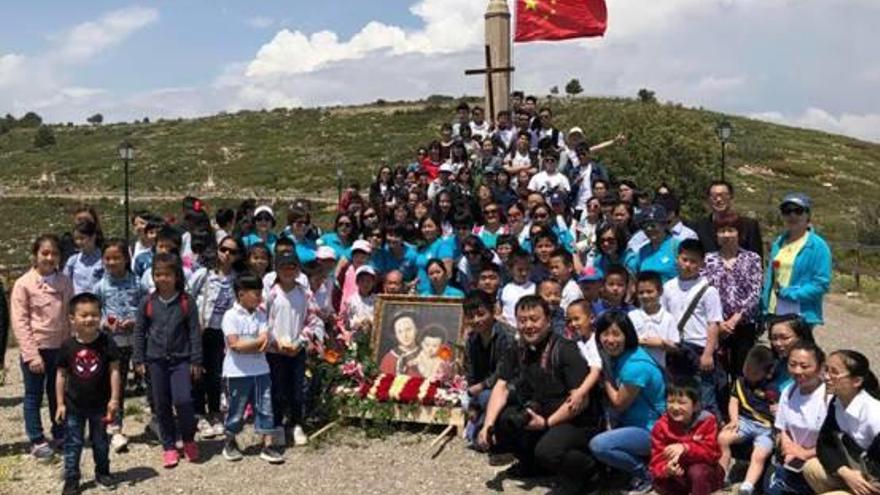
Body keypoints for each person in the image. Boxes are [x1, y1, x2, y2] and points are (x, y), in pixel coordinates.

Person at [479, 296, 602, 494]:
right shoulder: (518, 349)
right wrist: (487, 425)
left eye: (534, 319)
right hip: (540, 412)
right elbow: (501, 386)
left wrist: (546, 423)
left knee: (548, 451)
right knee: (503, 420)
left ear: (548, 320)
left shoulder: (565, 350)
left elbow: (581, 401)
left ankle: (588, 473)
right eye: (522, 320)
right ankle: (533, 466)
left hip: (577, 420)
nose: (528, 325)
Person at [133, 253, 201, 468]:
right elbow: (139, 332)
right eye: (158, 274)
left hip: (181, 360)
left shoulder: (186, 302)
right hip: (156, 361)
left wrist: (196, 360)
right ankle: (169, 445)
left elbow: (194, 333)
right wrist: (139, 359)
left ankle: (188, 437)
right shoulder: (148, 302)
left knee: (183, 401)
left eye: (167, 274)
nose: (162, 278)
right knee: (161, 404)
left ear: (176, 276)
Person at [590, 310, 667, 494]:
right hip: (630, 423)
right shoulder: (621, 356)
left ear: (628, 335)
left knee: (599, 445)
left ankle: (644, 473)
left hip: (651, 430)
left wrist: (605, 377)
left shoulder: (635, 365)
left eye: (616, 334)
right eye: (605, 334)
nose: (610, 339)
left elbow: (618, 402)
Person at [11, 234, 74, 461]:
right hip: (37, 348)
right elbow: (20, 322)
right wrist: (31, 354)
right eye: (44, 253)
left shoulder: (65, 282)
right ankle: (36, 438)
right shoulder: (23, 284)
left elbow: (70, 315)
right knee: (33, 395)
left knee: (58, 394)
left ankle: (59, 433)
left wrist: (71, 347)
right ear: (35, 255)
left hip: (60, 348)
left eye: (54, 253)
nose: (49, 257)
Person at [56, 293, 122, 494]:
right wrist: (60, 403)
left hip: (101, 405)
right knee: (73, 444)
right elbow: (61, 375)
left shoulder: (106, 342)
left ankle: (102, 472)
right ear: (72, 318)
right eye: (84, 315)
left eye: (94, 314)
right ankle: (72, 479)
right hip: (74, 406)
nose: (89, 319)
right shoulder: (67, 346)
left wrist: (114, 399)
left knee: (101, 442)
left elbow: (115, 371)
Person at [220, 273, 284, 464]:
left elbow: (264, 340)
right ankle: (230, 442)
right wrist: (255, 342)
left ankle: (268, 445)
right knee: (235, 409)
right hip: (236, 372)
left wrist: (250, 343)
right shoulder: (230, 316)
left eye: (260, 292)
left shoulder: (261, 314)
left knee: (265, 407)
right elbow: (235, 345)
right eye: (255, 293)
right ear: (241, 294)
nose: (259, 297)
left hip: (261, 370)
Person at [265, 252, 325, 448]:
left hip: (296, 349)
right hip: (275, 351)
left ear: (298, 270)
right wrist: (274, 342)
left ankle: (296, 423)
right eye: (284, 267)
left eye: (292, 267)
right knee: (277, 390)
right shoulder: (270, 294)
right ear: (277, 270)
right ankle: (277, 425)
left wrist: (300, 341)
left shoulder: (304, 294)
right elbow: (261, 321)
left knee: (297, 390)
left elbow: (314, 320)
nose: (288, 271)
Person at [93, 239, 146, 453]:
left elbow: (146, 306)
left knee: (149, 380)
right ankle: (115, 427)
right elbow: (95, 312)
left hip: (138, 340)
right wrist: (105, 323)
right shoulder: (101, 286)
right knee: (118, 385)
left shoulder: (138, 282)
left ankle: (156, 420)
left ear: (126, 258)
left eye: (117, 257)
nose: (112, 262)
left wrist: (136, 321)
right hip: (114, 344)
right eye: (107, 258)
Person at [189, 235, 244, 438]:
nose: (227, 254)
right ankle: (198, 414)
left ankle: (214, 412)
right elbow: (188, 295)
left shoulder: (237, 279)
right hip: (202, 329)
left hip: (222, 332)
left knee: (216, 374)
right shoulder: (203, 274)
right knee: (196, 372)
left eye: (232, 251)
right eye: (224, 249)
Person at [805, 350, 880, 495]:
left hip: (874, 481)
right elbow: (824, 443)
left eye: (834, 372)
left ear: (856, 381)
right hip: (858, 471)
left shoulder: (875, 415)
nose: (826, 377)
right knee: (812, 467)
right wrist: (845, 472)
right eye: (826, 370)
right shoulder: (837, 402)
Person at [662, 239, 723, 415]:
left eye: (694, 261)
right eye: (685, 259)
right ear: (677, 258)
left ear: (702, 263)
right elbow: (665, 318)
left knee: (705, 398)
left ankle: (711, 436)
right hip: (675, 349)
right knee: (678, 397)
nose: (688, 265)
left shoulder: (708, 290)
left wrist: (708, 354)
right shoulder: (668, 287)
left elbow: (713, 323)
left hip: (699, 348)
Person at [701, 213, 763, 382]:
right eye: (722, 231)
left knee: (741, 371)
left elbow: (755, 291)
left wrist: (736, 318)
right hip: (716, 327)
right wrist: (719, 322)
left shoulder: (752, 259)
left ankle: (738, 405)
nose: (726, 235)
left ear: (740, 233)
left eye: (731, 230)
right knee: (718, 373)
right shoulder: (707, 260)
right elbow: (703, 293)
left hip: (744, 324)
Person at [765, 341, 829, 495]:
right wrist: (788, 448)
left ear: (820, 368)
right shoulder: (789, 390)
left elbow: (836, 442)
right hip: (790, 461)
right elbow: (782, 427)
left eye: (805, 366)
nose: (797, 370)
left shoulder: (829, 397)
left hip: (817, 466)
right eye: (792, 364)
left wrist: (805, 454)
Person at [760, 193, 832, 328]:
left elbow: (821, 284)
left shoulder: (817, 246)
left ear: (807, 215)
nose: (792, 216)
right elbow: (772, 275)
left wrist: (792, 294)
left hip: (800, 314)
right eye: (787, 211)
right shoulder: (779, 243)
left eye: (798, 211)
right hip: (774, 311)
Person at [718, 345, 779, 495]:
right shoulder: (739, 382)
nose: (748, 373)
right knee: (723, 438)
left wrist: (776, 412)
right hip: (744, 421)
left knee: (759, 454)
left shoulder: (771, 389)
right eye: (746, 368)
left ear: (766, 373)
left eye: (754, 372)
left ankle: (748, 485)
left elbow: (777, 412)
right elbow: (734, 401)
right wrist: (733, 420)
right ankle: (721, 475)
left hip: (766, 427)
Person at [650, 376, 724, 495]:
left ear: (696, 406)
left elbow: (713, 453)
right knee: (659, 482)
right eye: (670, 401)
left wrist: (686, 448)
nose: (675, 407)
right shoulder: (661, 426)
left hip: (705, 474)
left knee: (698, 471)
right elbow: (656, 460)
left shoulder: (707, 421)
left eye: (682, 402)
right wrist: (667, 469)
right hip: (678, 475)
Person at [463, 291, 514, 446]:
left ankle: (488, 432)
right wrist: (473, 403)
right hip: (482, 391)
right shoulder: (472, 339)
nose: (476, 320)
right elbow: (471, 373)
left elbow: (504, 371)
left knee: (486, 396)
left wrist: (482, 387)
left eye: (481, 314)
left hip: (508, 386)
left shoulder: (506, 336)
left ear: (492, 311)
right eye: (471, 316)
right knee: (467, 399)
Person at [693, 180, 763, 258]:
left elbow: (757, 259)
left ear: (731, 197)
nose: (719, 200)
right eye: (714, 196)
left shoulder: (749, 226)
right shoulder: (698, 227)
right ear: (708, 199)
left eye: (723, 195)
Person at [628, 271, 679, 370]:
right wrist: (641, 342)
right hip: (635, 368)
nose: (645, 296)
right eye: (641, 293)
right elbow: (626, 341)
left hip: (658, 369)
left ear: (660, 292)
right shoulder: (632, 316)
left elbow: (675, 346)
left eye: (649, 291)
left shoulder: (668, 318)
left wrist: (660, 343)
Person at [625, 204, 680, 284]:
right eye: (645, 226)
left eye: (653, 225)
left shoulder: (676, 246)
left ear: (664, 225)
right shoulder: (641, 251)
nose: (649, 229)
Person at [767, 314, 815, 393]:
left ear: (801, 337)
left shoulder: (814, 371)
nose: (778, 343)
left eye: (785, 338)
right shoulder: (775, 363)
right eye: (774, 338)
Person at [64, 220, 105, 295]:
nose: (78, 242)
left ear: (93, 236)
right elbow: (65, 283)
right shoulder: (73, 261)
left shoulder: (104, 259)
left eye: (82, 238)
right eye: (76, 239)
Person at [499, 249, 535, 326]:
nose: (524, 273)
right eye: (520, 270)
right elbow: (498, 310)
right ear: (510, 269)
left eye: (527, 269)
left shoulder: (535, 288)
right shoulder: (504, 289)